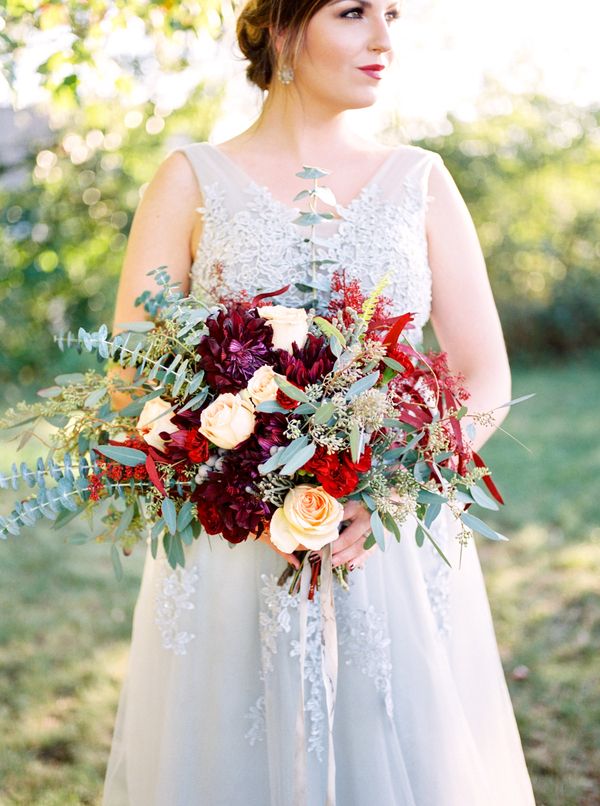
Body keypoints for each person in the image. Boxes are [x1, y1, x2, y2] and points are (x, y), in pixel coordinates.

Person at [102, 1, 537, 803]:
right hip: (234, 545)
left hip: (391, 544)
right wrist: (235, 465)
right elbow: (133, 378)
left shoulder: (421, 180)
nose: (384, 39)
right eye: (352, 12)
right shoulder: (190, 177)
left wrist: (392, 486)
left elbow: (483, 375)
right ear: (278, 25)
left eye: (392, 14)